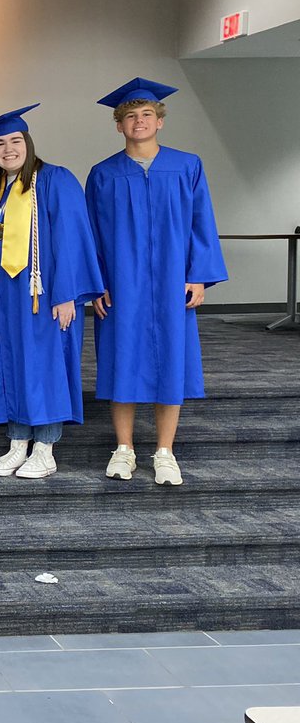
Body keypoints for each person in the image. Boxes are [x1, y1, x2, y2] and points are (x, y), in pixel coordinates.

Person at [88, 78, 227, 486]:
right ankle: (124, 448)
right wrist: (96, 283)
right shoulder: (103, 174)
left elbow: (202, 223)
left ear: (160, 121)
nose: (139, 121)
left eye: (147, 114)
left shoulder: (187, 166)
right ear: (119, 125)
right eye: (130, 116)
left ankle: (165, 451)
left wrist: (198, 276)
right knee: (121, 360)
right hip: (120, 286)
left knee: (172, 360)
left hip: (172, 284)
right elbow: (90, 235)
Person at [0, 106, 104, 479]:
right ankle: (17, 444)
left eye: (15, 141)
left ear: (28, 143)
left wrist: (67, 294)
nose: (8, 149)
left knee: (44, 364)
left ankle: (45, 449)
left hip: (41, 296)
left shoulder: (54, 180)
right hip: (2, 298)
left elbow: (71, 240)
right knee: (10, 362)